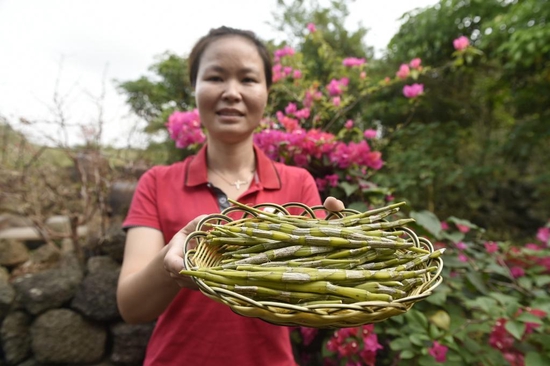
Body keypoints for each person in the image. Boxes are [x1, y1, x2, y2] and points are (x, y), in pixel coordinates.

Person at [116, 26, 345, 366]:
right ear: (194, 88)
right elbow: (131, 307)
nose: (232, 92)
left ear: (268, 92)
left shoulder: (298, 184)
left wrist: (339, 252)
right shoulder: (157, 182)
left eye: (248, 79)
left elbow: (313, 304)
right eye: (215, 77)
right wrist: (174, 263)